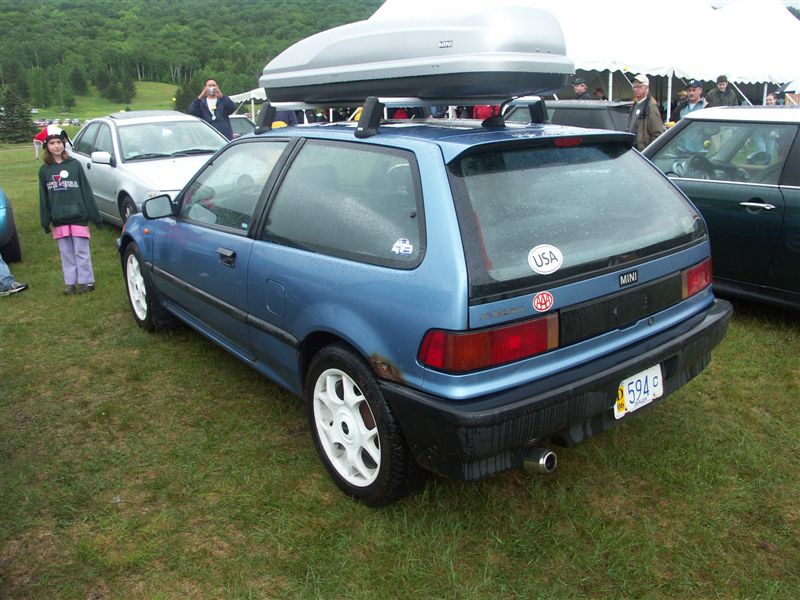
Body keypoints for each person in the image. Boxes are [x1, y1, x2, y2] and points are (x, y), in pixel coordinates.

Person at [38, 127, 102, 295]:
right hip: (59, 218)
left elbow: (86, 191)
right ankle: (70, 283)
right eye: (52, 143)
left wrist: (95, 216)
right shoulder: (44, 170)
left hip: (78, 216)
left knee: (81, 251)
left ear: (64, 143)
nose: (56, 146)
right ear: (46, 146)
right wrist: (45, 220)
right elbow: (43, 197)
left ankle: (86, 281)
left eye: (59, 142)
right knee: (66, 253)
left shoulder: (75, 165)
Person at [625, 74, 664, 151]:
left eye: (639, 86)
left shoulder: (651, 106)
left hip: (643, 151)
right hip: (632, 149)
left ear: (647, 88)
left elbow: (657, 133)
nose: (636, 89)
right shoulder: (634, 105)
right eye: (634, 87)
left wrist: (649, 151)